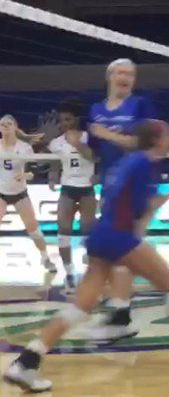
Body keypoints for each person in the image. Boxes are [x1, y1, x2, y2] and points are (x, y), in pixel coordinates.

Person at [2, 120, 169, 394]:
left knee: (80, 307)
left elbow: (112, 201)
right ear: (156, 140)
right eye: (168, 135)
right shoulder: (145, 165)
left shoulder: (127, 162)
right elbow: (141, 213)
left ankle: (27, 362)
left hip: (100, 234)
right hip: (119, 236)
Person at [85, 58, 161, 342]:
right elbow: (93, 152)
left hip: (134, 184)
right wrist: (78, 144)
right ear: (109, 76)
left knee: (125, 245)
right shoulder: (96, 109)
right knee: (115, 250)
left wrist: (106, 134)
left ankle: (121, 311)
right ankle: (120, 309)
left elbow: (143, 144)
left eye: (130, 73)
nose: (125, 76)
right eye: (120, 72)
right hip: (110, 185)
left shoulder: (140, 105)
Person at [47, 98, 97, 281]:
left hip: (87, 188)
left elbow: (94, 158)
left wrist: (77, 144)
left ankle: (91, 266)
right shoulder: (56, 143)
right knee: (63, 229)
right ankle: (68, 271)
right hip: (67, 188)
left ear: (76, 119)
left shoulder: (88, 137)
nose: (64, 123)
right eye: (61, 120)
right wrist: (53, 175)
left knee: (87, 228)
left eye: (68, 119)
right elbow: (55, 161)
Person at [0, 115, 55, 273]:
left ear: (15, 127)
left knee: (33, 228)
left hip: (19, 193)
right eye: (2, 124)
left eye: (9, 124)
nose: (5, 127)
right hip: (1, 193)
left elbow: (32, 173)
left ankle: (45, 258)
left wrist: (24, 175)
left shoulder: (24, 147)